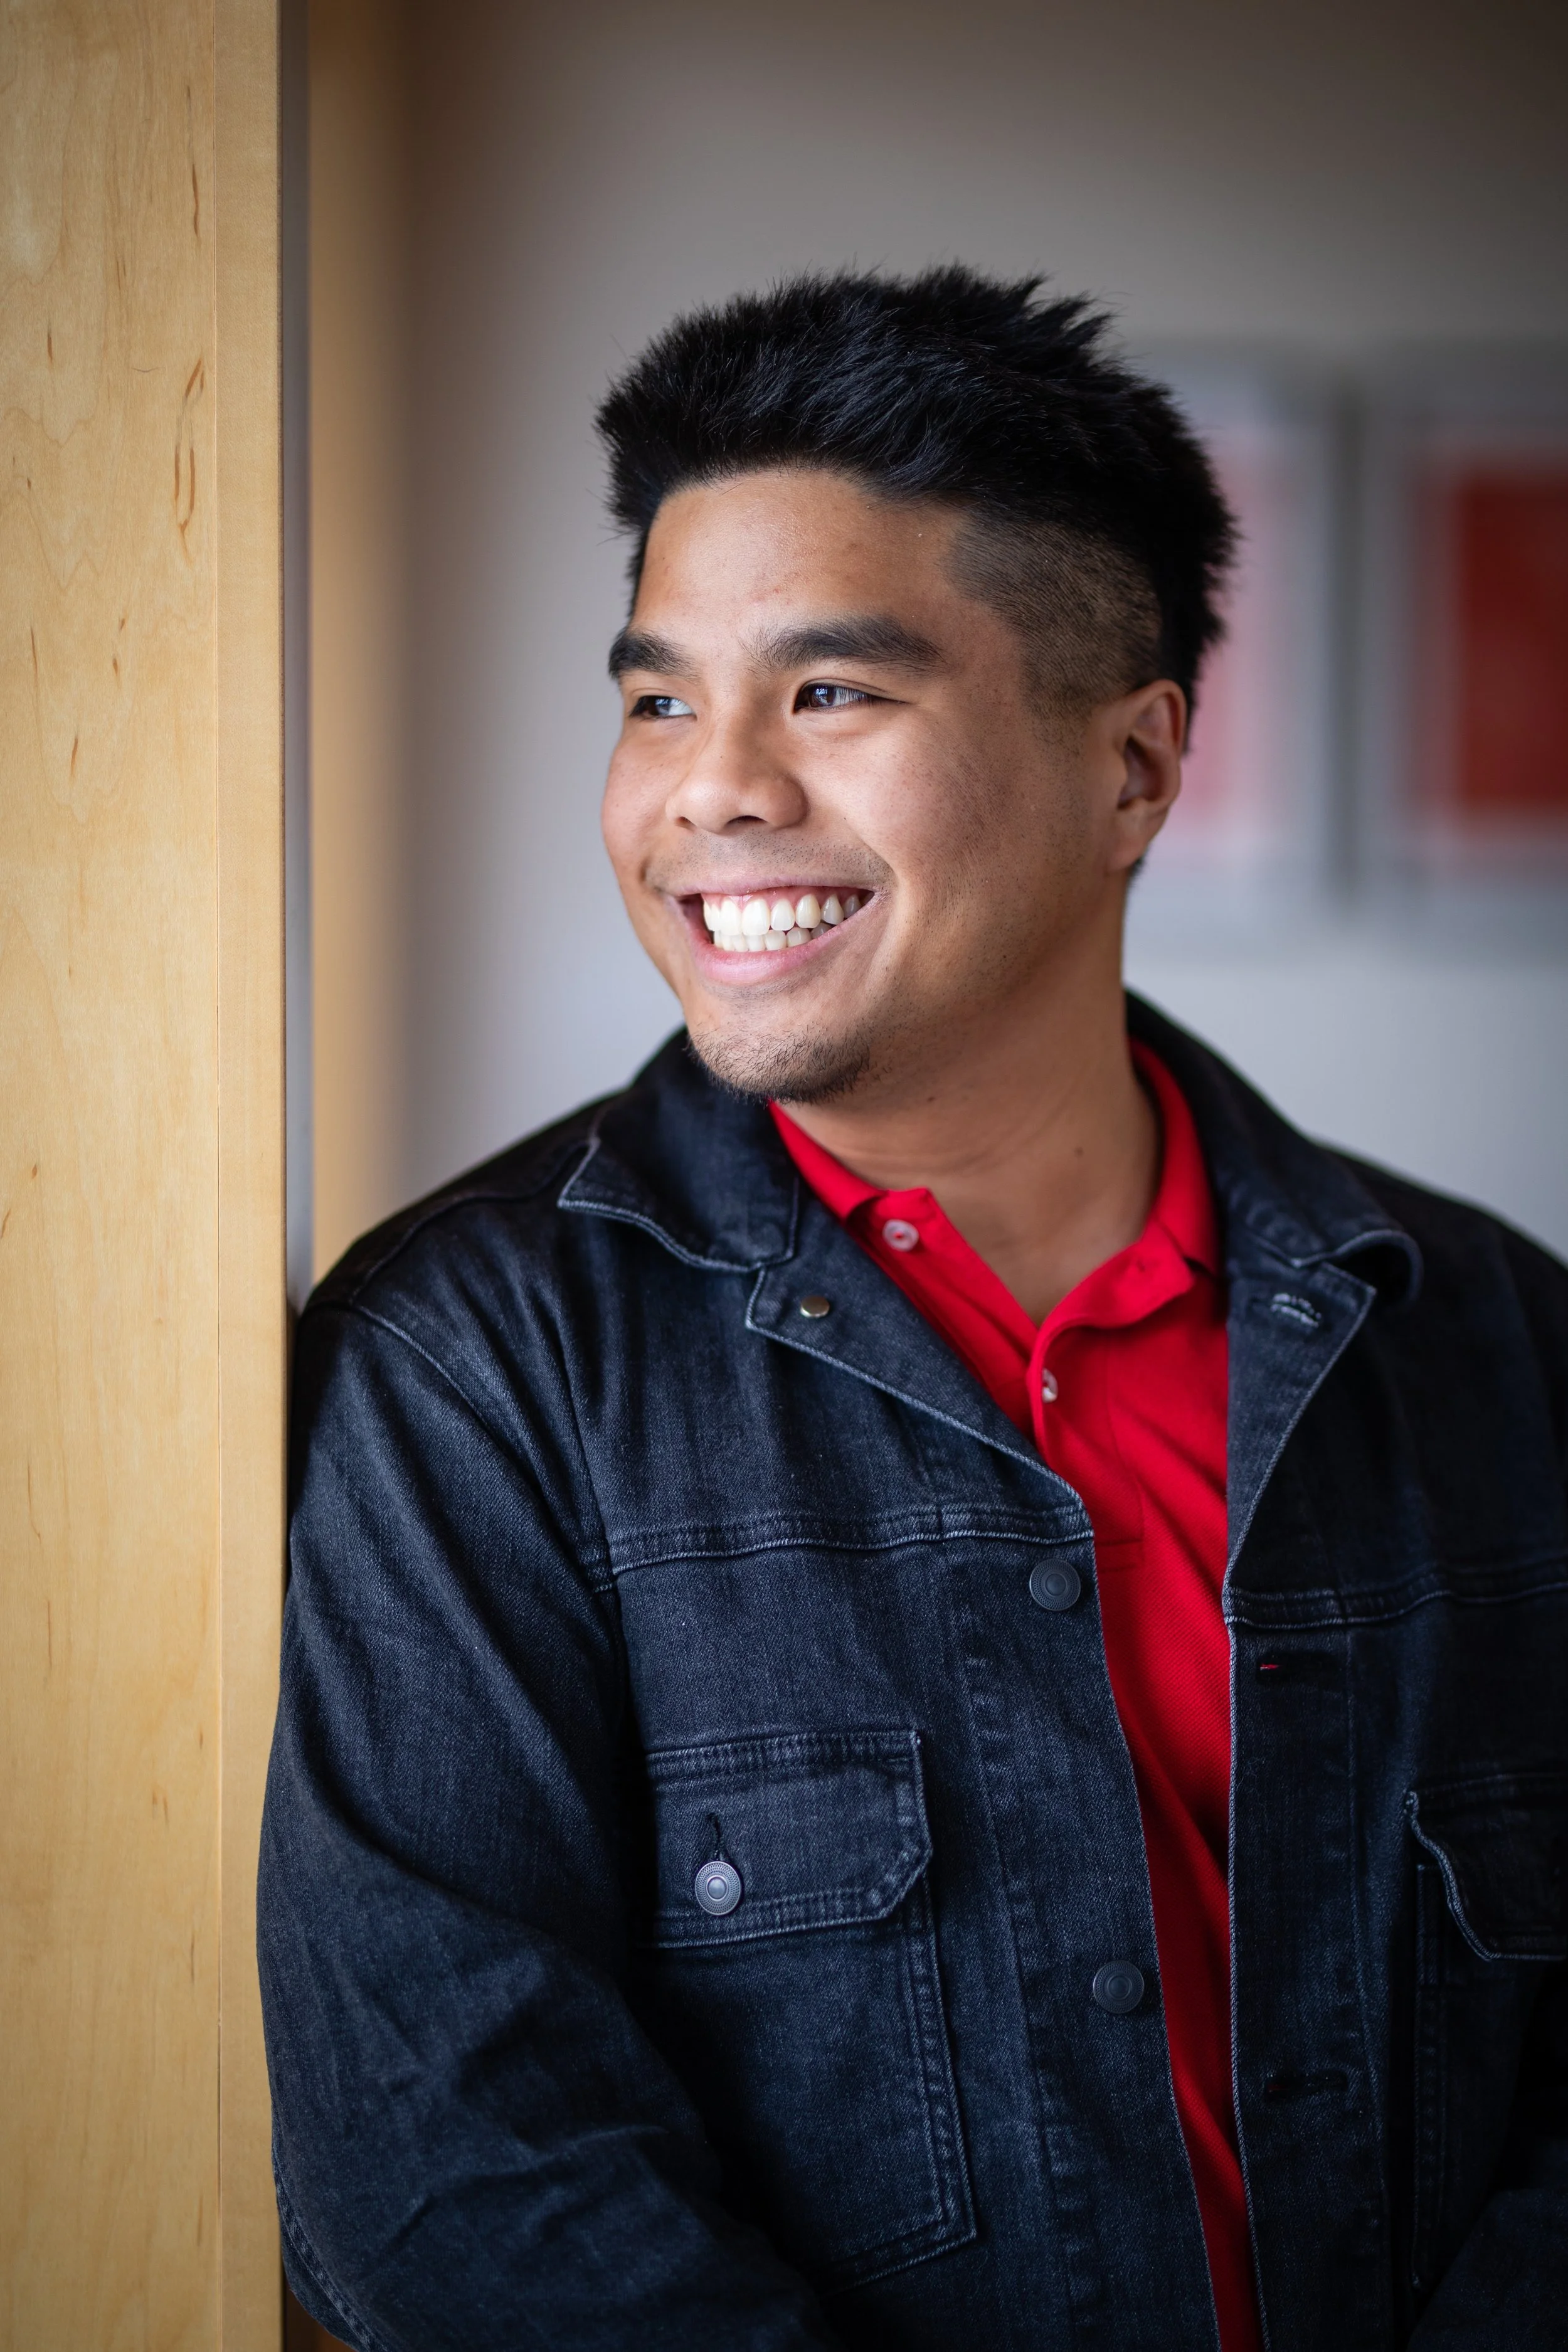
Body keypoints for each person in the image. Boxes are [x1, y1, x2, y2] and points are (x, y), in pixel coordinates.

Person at [258, 268, 1568, 2352]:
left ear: (1131, 769)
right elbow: (453, 2170)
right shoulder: (469, 1363)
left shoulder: (1492, 1342)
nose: (709, 791)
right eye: (660, 696)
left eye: (831, 695)